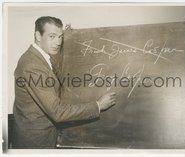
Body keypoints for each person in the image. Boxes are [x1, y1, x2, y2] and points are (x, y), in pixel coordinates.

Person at [12, 16, 116, 149]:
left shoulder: (41, 57)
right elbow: (57, 112)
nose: (58, 42)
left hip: (43, 137)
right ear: (38, 36)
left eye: (61, 37)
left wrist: (72, 37)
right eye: (52, 36)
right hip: (36, 143)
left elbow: (56, 72)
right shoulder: (33, 65)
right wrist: (98, 106)